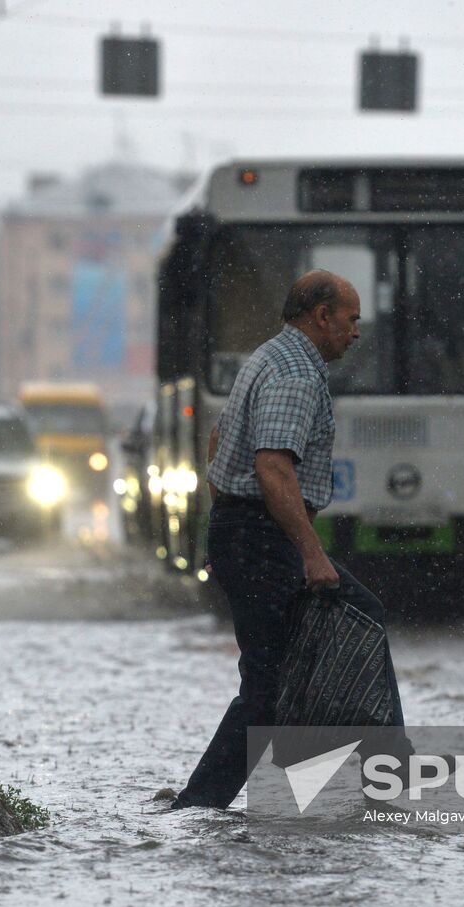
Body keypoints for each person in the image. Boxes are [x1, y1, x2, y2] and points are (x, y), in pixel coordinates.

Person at [172, 269, 415, 810]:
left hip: (251, 531)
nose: (355, 333)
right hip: (262, 537)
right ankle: (200, 804)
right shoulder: (295, 375)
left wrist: (227, 509)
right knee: (278, 675)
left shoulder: (268, 357)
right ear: (321, 316)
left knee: (318, 646)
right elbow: (273, 467)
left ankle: (378, 772)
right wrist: (310, 553)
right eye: (350, 320)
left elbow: (220, 440)